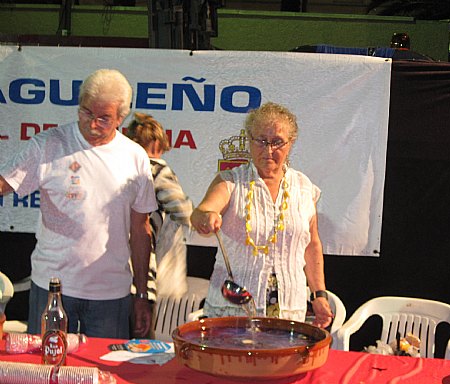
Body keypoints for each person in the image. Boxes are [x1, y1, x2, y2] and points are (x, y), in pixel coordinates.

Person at [0, 69, 157, 339]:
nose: (92, 123)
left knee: (105, 365)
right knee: (47, 363)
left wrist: (142, 294)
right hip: (53, 288)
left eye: (104, 118)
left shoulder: (135, 157)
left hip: (111, 295)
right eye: (86, 112)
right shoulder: (48, 145)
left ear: (121, 118)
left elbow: (142, 229)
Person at [191, 102, 333, 328]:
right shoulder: (231, 181)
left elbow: (312, 245)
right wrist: (206, 217)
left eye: (277, 142)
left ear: (290, 143)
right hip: (233, 310)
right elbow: (201, 211)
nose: (268, 150)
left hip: (289, 309)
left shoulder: (304, 187)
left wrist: (319, 295)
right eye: (261, 141)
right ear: (249, 140)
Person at [126, 113, 193, 301]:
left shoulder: (119, 169)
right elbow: (183, 211)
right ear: (157, 143)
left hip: (110, 269)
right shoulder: (156, 170)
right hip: (140, 269)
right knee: (141, 317)